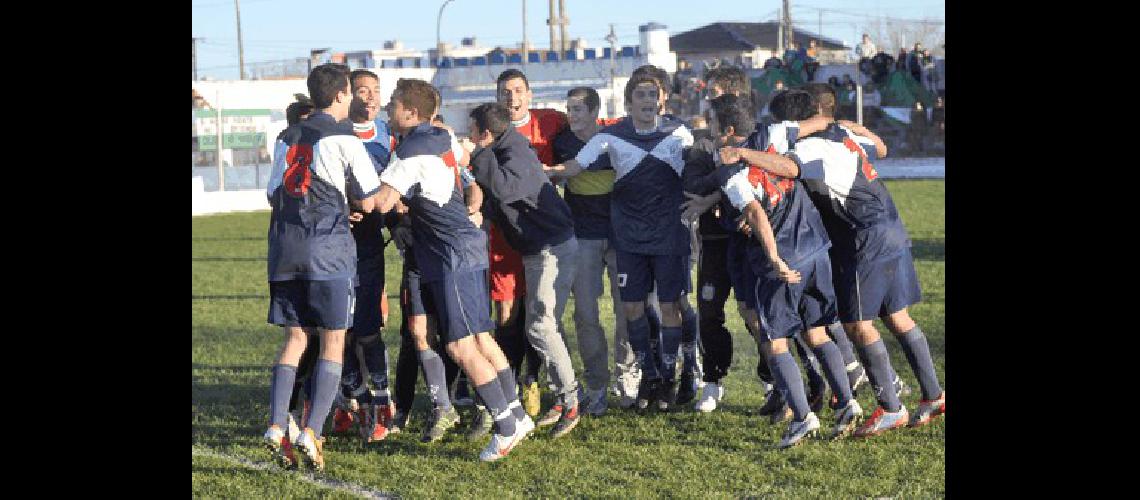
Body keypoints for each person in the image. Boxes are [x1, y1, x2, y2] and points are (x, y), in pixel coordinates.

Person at [743, 83, 946, 437]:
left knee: (858, 325)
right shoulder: (841, 134)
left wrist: (742, 154)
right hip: (890, 225)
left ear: (794, 122)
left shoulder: (812, 145)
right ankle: (933, 396)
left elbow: (788, 169)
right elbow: (880, 148)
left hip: (863, 239)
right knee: (898, 317)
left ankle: (890, 408)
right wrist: (856, 127)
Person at [371, 78, 536, 461]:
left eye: (393, 103)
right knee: (481, 338)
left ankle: (506, 427)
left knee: (460, 346)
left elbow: (381, 202)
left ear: (410, 112)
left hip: (450, 256)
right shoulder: (441, 136)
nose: (387, 109)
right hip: (467, 247)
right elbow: (468, 167)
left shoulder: (410, 151)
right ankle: (514, 414)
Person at [713, 91, 864, 448]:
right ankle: (847, 403)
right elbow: (824, 122)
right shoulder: (774, 135)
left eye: (713, 127)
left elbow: (756, 215)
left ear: (729, 131)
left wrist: (775, 259)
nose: (710, 133)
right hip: (817, 249)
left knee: (776, 341)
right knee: (818, 332)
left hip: (783, 264)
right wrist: (862, 134)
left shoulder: (730, 170)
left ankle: (801, 418)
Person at [546, 73, 693, 412]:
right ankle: (649, 375)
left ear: (661, 101)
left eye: (651, 94)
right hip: (627, 237)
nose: (646, 100)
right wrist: (545, 171)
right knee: (631, 310)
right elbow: (575, 166)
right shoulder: (611, 136)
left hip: (670, 235)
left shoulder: (679, 132)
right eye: (639, 94)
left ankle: (667, 379)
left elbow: (697, 166)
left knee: (669, 308)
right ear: (628, 104)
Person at [262, 63, 384, 471]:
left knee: (295, 339)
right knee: (333, 341)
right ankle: (312, 431)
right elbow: (368, 200)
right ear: (339, 96)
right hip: (327, 250)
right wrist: (348, 203)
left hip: (283, 250)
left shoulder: (286, 136)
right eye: (350, 93)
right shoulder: (343, 137)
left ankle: (278, 425)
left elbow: (272, 193)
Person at [466, 102, 583, 438]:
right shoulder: (505, 149)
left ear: (486, 134)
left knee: (540, 328)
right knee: (542, 327)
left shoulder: (514, 152)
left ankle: (570, 401)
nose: (469, 137)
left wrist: (474, 155)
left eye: (473, 132)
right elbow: (496, 199)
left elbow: (504, 189)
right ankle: (563, 398)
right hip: (538, 249)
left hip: (553, 249)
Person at [493, 69, 568, 418]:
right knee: (507, 313)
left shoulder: (550, 122)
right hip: (502, 238)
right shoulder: (490, 129)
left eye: (518, 90)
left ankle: (532, 379)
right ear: (497, 97)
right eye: (506, 92)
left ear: (530, 94)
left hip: (540, 235)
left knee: (539, 314)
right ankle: (505, 387)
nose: (512, 98)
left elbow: (589, 125)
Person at [552, 86, 630, 416]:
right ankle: (597, 383)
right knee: (585, 314)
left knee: (628, 310)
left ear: (594, 112)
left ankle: (627, 375)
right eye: (569, 109)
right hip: (582, 238)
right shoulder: (562, 144)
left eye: (578, 109)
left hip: (619, 237)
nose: (571, 115)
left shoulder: (614, 140)